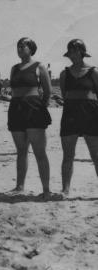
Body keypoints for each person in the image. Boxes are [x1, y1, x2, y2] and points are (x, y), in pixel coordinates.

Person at [8, 37, 52, 198]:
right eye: (18, 46)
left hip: (34, 109)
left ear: (31, 48)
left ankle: (46, 189)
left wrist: (41, 108)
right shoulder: (14, 68)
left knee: (39, 151)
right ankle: (19, 186)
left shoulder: (39, 66)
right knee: (21, 151)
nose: (19, 48)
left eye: (23, 46)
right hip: (16, 108)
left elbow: (47, 92)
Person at [60, 39, 98, 195]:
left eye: (75, 50)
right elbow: (64, 94)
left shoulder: (94, 72)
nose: (72, 54)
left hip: (91, 115)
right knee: (68, 155)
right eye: (70, 51)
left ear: (82, 52)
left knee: (96, 154)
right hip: (70, 114)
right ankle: (65, 189)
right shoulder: (64, 73)